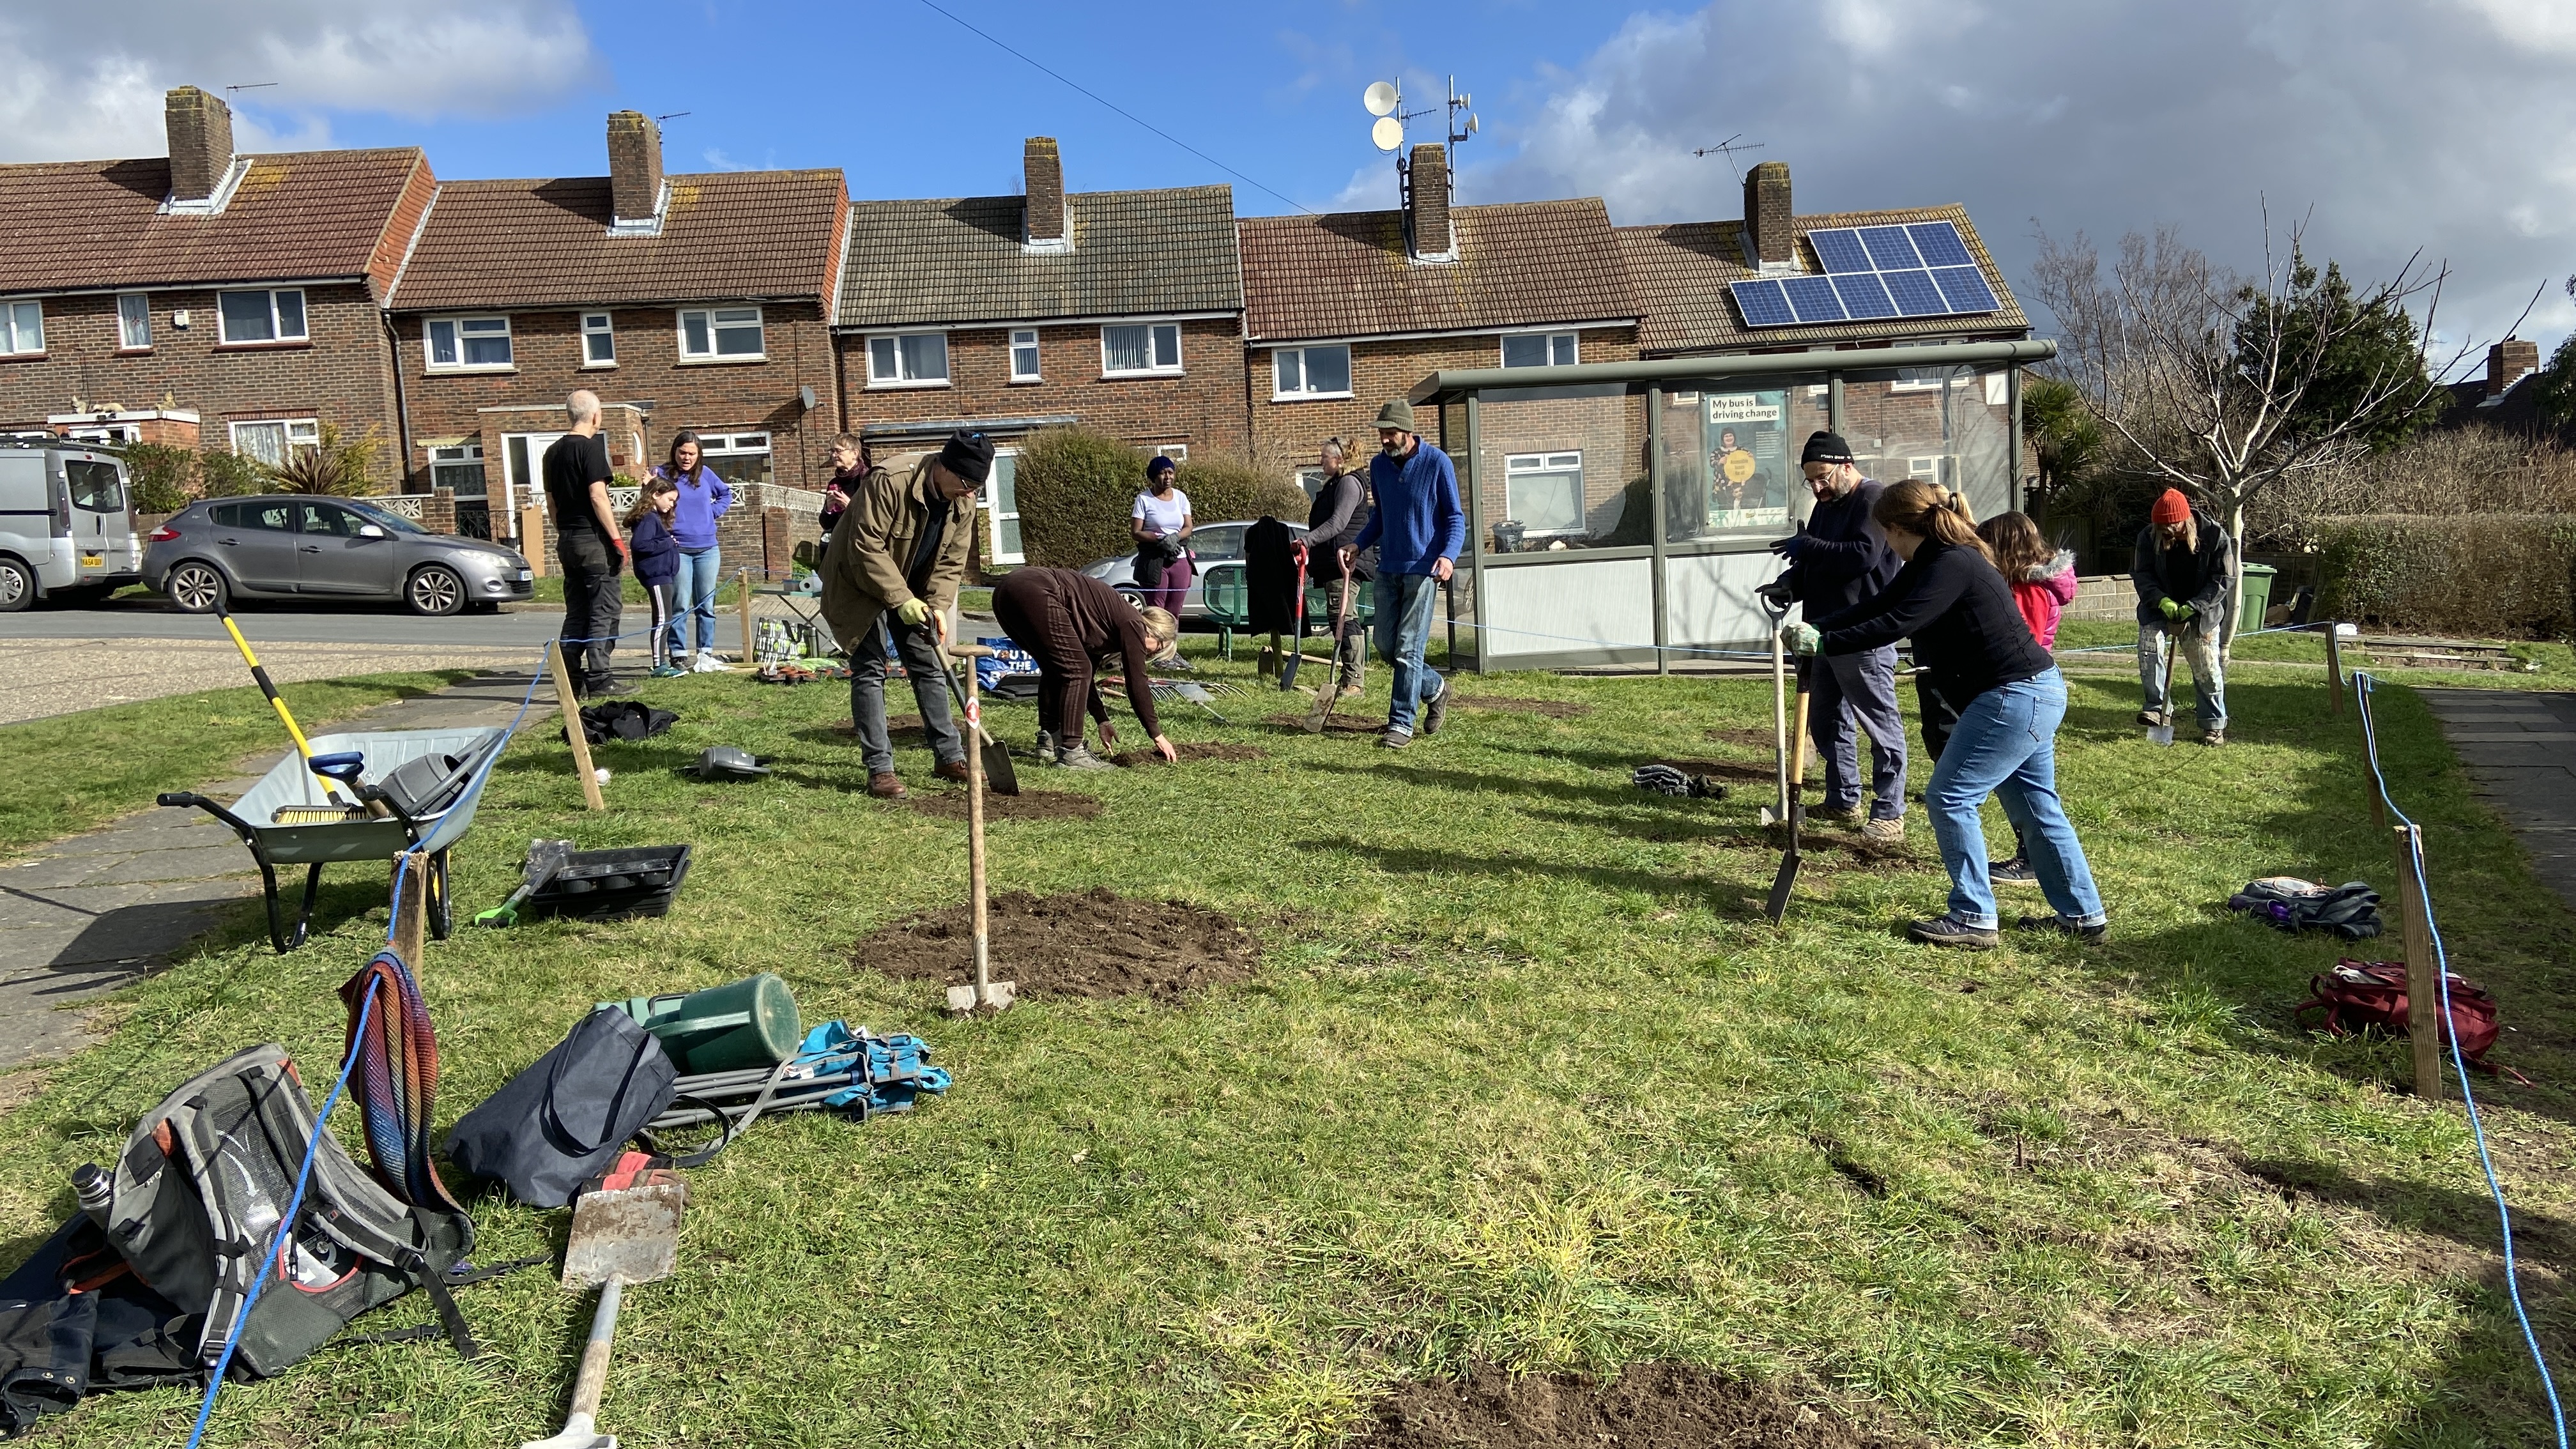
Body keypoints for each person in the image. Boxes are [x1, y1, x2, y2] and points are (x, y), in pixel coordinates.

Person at [1789, 480, 2108, 950]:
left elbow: (1899, 623)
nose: (1887, 544)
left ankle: (1974, 916)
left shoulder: (1951, 563)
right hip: (2032, 692)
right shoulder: (1934, 559)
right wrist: (1820, 626)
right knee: (2036, 805)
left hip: (2013, 697)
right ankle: (2083, 915)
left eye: (1886, 534)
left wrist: (1826, 644)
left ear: (1898, 529)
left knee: (1950, 798)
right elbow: (1878, 605)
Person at [820, 428, 986, 799]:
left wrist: (937, 606)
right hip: (856, 581)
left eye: (977, 487)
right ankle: (880, 769)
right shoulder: (890, 481)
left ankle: (949, 756)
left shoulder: (964, 499)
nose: (970, 493)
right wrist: (901, 599)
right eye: (966, 483)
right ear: (943, 467)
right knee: (870, 668)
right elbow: (866, 546)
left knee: (927, 662)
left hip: (912, 586)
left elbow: (951, 562)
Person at [1767, 431, 1907, 841]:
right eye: (1810, 480)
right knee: (1827, 721)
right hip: (1821, 633)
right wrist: (1789, 584)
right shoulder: (1824, 506)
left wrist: (1808, 546)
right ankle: (1844, 797)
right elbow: (1816, 562)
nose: (1817, 487)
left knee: (1880, 725)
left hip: (1864, 636)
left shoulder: (1874, 500)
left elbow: (1861, 556)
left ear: (1847, 466)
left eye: (1824, 477)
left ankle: (1889, 812)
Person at [1344, 400, 1462, 749]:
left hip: (1424, 570)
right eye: (1381, 433)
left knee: (1409, 648)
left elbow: (1456, 518)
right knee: (1385, 645)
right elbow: (1379, 517)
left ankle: (1401, 723)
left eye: (1390, 433)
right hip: (1388, 569)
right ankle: (1436, 688)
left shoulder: (1438, 463)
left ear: (1407, 432)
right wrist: (1357, 544)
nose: (1383, 439)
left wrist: (1448, 556)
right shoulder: (1378, 467)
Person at [1970, 510, 2080, 883]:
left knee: (2026, 785)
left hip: (2023, 686)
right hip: (2033, 687)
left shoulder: (2028, 588)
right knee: (2031, 785)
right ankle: (2033, 856)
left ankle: (2029, 856)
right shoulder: (2032, 581)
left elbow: (2021, 641)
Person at [991, 567, 1182, 769]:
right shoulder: (1134, 624)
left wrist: (1102, 720)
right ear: (1155, 633)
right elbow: (1137, 683)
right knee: (1076, 670)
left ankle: (1050, 739)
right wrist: (1157, 734)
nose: (1149, 655)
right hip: (1035, 589)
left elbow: (1087, 679)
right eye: (1156, 650)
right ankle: (1073, 753)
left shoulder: (1108, 625)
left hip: (1007, 589)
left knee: (1058, 667)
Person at [544, 390, 626, 698]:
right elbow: (598, 496)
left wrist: (564, 530)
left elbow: (551, 502)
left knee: (576, 611)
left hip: (567, 539)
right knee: (604, 610)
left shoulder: (551, 452)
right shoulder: (590, 449)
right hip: (593, 541)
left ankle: (571, 681)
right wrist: (616, 539)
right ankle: (601, 678)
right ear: (595, 415)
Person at [2133, 487, 2232, 746]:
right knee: (2149, 649)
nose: (2165, 530)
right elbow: (2142, 574)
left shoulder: (2214, 536)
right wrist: (2161, 601)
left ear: (2186, 520)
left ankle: (2213, 724)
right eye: (2160, 525)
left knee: (2206, 666)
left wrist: (2195, 606)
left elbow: (2223, 579)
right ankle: (2157, 709)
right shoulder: (2148, 536)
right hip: (2157, 607)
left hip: (2202, 610)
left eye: (2171, 525)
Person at [650, 431, 735, 673]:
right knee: (679, 603)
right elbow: (649, 502)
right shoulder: (662, 474)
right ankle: (678, 653)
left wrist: (713, 512)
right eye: (682, 452)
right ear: (674, 451)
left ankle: (705, 652)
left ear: (699, 455)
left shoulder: (706, 474)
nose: (686, 458)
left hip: (708, 548)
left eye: (691, 453)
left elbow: (726, 494)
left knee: (706, 604)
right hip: (679, 549)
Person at [1303, 437, 1374, 698]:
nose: (1320, 461)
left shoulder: (1348, 483)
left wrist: (1307, 541)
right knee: (1339, 616)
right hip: (1334, 561)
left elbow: (1338, 523)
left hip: (1345, 561)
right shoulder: (1337, 483)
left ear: (1340, 460)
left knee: (1345, 616)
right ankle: (1349, 677)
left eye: (1324, 457)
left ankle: (1354, 681)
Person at [627, 477, 684, 678]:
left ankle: (662, 662)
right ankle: (659, 665)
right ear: (655, 495)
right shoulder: (649, 518)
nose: (672, 504)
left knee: (665, 618)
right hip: (656, 575)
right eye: (669, 499)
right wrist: (668, 543)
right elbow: (640, 545)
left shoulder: (653, 518)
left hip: (663, 575)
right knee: (663, 619)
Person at [1131, 455, 1193, 615]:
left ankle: (1171, 641)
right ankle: (1154, 640)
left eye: (1171, 472)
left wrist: (1175, 538)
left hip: (1178, 559)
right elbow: (1136, 532)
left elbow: (1188, 527)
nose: (1168, 477)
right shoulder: (1144, 499)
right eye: (1163, 473)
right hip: (1154, 560)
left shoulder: (1181, 498)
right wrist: (1159, 538)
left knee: (1174, 610)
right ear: (1153, 476)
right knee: (1156, 610)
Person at [820, 433, 873, 545]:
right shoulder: (834, 483)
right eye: (832, 451)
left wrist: (850, 507)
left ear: (855, 453)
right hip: (840, 542)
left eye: (838, 451)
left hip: (862, 542)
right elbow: (826, 524)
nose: (834, 455)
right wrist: (828, 510)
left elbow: (875, 517)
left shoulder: (869, 479)